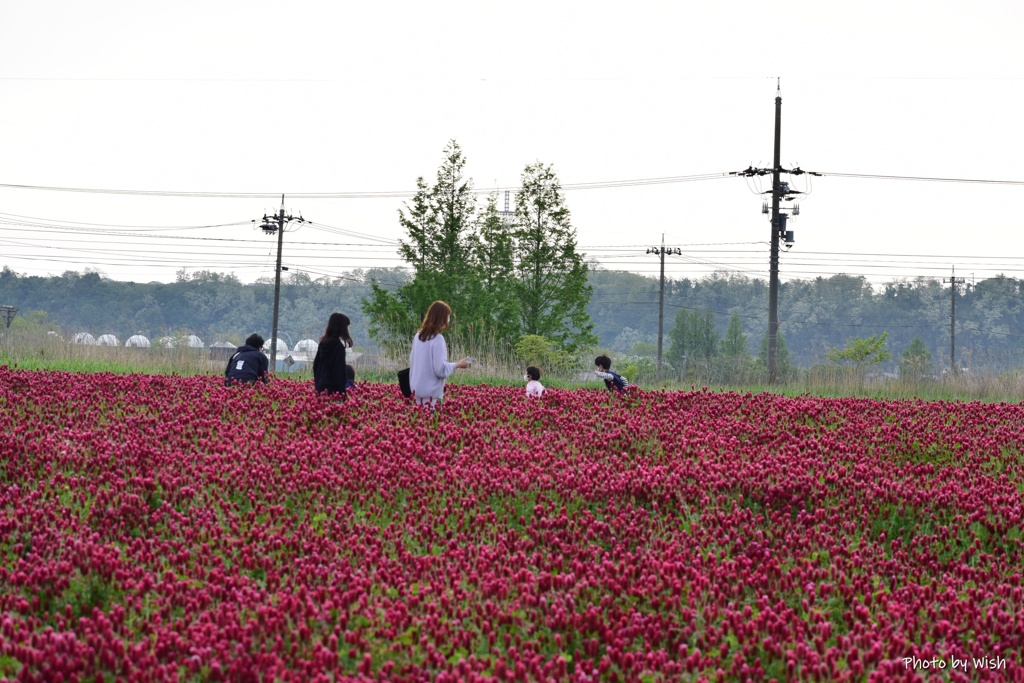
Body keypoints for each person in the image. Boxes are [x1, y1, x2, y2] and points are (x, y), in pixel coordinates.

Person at [409, 300, 472, 407]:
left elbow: (412, 361)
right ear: (441, 318)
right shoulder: (438, 339)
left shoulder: (418, 336)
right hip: (431, 396)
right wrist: (458, 364)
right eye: (447, 317)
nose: (448, 320)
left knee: (418, 421)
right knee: (430, 422)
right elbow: (440, 370)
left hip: (416, 391)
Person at [313, 312, 354, 398]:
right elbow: (339, 372)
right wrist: (342, 393)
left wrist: (318, 385)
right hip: (333, 390)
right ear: (341, 328)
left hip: (321, 387)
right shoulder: (338, 347)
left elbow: (315, 366)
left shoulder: (323, 343)